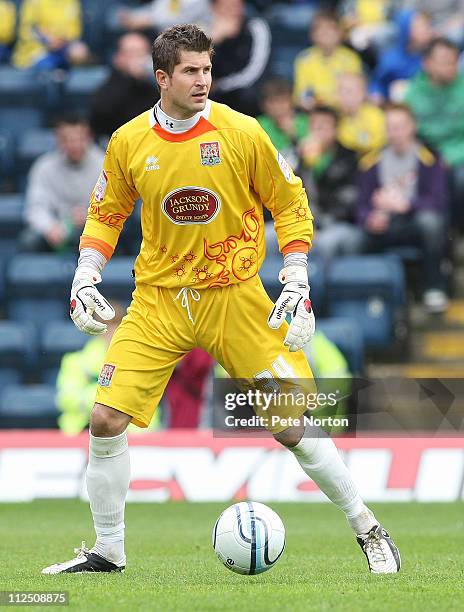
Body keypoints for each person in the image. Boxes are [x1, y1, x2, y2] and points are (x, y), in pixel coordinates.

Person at [42, 24, 400, 576]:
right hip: (160, 299)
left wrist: (297, 274)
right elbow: (106, 212)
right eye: (190, 71)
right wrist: (85, 273)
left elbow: (290, 201)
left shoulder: (240, 132)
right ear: (162, 77)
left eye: (207, 69)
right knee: (106, 419)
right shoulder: (129, 141)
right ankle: (108, 549)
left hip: (234, 296)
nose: (203, 80)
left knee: (290, 422)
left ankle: (369, 528)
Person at [358, 103, 449, 313]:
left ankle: (434, 287)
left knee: (431, 223)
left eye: (400, 127)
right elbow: (360, 206)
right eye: (390, 127)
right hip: (384, 226)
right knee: (354, 240)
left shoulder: (429, 158)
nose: (395, 133)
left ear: (412, 127)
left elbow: (438, 201)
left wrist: (405, 205)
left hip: (413, 223)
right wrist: (369, 218)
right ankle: (369, 297)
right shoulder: (371, 162)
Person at [22, 114, 104, 253]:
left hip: (96, 227)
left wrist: (92, 216)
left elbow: (116, 206)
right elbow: (35, 208)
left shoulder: (104, 163)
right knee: (29, 239)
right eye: (67, 140)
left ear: (89, 137)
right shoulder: (43, 167)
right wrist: (50, 227)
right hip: (57, 229)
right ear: (58, 141)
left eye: (79, 139)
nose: (74, 145)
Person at [404, 38, 464, 229]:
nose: (452, 66)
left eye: (454, 61)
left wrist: (450, 156)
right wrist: (435, 159)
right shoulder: (412, 95)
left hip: (458, 156)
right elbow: (410, 137)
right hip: (426, 158)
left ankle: (457, 235)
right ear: (427, 63)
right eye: (446, 61)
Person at [299, 105, 362, 264]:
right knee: (268, 236)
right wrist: (304, 165)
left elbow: (348, 202)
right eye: (314, 126)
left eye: (323, 126)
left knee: (324, 243)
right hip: (305, 224)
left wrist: (317, 227)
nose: (317, 131)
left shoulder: (349, 158)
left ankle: (313, 288)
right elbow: (288, 196)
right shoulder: (300, 156)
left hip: (340, 226)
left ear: (335, 129)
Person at [208, 0, 271, 117]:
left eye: (237, 5)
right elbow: (194, 67)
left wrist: (221, 86)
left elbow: (256, 71)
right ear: (214, 8)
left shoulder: (256, 26)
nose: (234, 11)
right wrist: (213, 42)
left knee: (246, 96)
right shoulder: (204, 29)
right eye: (227, 7)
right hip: (214, 90)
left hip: (246, 91)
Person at [90, 33, 156, 141]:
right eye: (132, 53)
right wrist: (131, 79)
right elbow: (101, 114)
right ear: (118, 57)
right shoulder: (110, 85)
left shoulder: (155, 84)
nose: (139, 59)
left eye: (142, 53)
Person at [293, 10, 363, 110]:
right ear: (312, 34)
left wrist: (325, 99)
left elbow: (354, 93)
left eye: (331, 28)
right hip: (315, 112)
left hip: (342, 111)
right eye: (320, 29)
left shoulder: (350, 59)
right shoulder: (304, 59)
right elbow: (302, 95)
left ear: (341, 33)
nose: (325, 33)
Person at [369, 9, 435, 104]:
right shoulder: (391, 60)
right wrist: (377, 93)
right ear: (406, 29)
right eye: (421, 26)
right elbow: (378, 83)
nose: (427, 30)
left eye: (428, 25)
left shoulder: (435, 54)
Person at [12, 0, 89, 70]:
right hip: (36, 51)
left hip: (62, 48)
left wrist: (61, 40)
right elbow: (27, 30)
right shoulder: (34, 2)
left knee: (78, 51)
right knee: (48, 66)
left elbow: (74, 31)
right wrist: (47, 40)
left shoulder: (71, 2)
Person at [257, 77, 309, 170]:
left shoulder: (304, 123)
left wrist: (293, 135)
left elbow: (311, 160)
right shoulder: (258, 125)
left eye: (282, 101)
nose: (278, 108)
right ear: (263, 105)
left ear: (291, 101)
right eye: (272, 102)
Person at [337, 73, 386, 156]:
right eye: (340, 90)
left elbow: (379, 143)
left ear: (362, 94)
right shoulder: (336, 120)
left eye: (349, 91)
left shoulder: (376, 116)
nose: (343, 96)